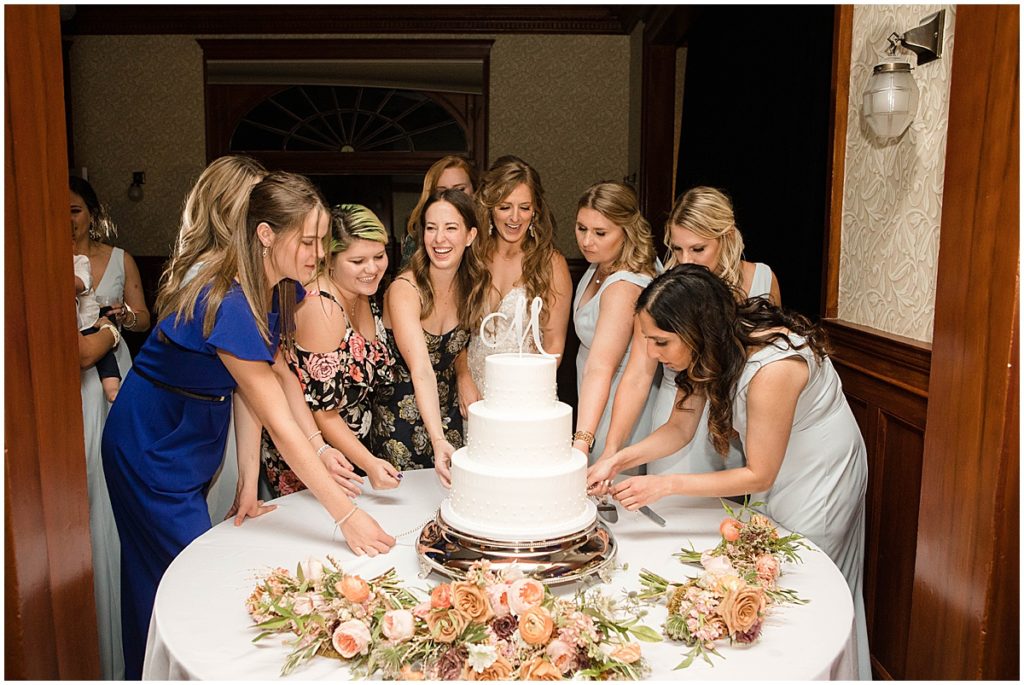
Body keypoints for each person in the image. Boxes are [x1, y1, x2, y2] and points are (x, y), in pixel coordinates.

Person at [102, 171, 395, 679]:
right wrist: (345, 515)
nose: (318, 253)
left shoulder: (282, 291)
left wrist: (246, 481)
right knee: (182, 577)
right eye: (307, 241)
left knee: (177, 574)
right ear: (265, 234)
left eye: (324, 240)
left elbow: (269, 380)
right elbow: (275, 415)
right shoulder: (227, 298)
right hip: (151, 437)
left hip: (199, 427)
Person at [588, 263, 869, 680]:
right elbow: (680, 428)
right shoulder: (713, 348)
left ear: (695, 329)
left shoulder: (773, 369)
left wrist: (664, 484)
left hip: (818, 473)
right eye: (646, 339)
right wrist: (618, 459)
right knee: (766, 569)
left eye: (659, 341)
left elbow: (759, 475)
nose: (650, 352)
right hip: (773, 464)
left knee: (805, 585)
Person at [598, 186, 781, 475]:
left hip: (736, 421)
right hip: (677, 415)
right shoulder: (665, 292)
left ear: (727, 238)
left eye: (698, 249)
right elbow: (638, 375)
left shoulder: (761, 278)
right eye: (677, 249)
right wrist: (612, 449)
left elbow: (772, 362)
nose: (686, 261)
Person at [152, 155, 274, 523]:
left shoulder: (247, 275)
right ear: (228, 209)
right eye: (258, 204)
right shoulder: (211, 283)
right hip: (161, 430)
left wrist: (248, 479)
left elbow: (250, 385)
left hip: (205, 425)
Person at [261, 204, 401, 497]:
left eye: (379, 256)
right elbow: (324, 412)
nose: (373, 268)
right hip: (312, 453)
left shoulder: (363, 292)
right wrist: (369, 463)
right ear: (331, 261)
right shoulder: (321, 308)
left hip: (351, 450)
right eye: (358, 260)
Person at [71, 175, 151, 681]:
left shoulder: (119, 259)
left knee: (114, 469)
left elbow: (144, 318)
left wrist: (122, 316)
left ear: (92, 212)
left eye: (75, 210)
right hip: (77, 373)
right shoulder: (39, 259)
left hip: (116, 367)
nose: (67, 220)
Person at [375, 189, 490, 486]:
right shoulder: (405, 290)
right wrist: (436, 439)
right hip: (399, 423)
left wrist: (463, 374)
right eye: (431, 228)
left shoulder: (472, 285)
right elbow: (422, 369)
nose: (439, 239)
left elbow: (456, 348)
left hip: (448, 416)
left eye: (451, 228)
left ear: (470, 235)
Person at [460, 156, 572, 407]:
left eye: (524, 207)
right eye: (504, 206)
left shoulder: (551, 264)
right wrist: (463, 377)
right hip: (475, 398)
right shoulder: (473, 257)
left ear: (536, 211)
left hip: (528, 396)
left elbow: (554, 344)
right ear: (489, 208)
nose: (515, 217)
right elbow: (455, 334)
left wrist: (527, 391)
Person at [570, 181, 659, 462]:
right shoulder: (600, 263)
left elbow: (601, 367)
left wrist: (582, 440)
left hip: (613, 399)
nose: (586, 241)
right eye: (581, 228)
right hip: (593, 394)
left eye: (600, 232)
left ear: (627, 231)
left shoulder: (623, 287)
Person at [400, 154, 478, 267]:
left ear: (474, 190)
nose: (451, 198)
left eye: (460, 189)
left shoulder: (492, 228)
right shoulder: (418, 234)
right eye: (442, 191)